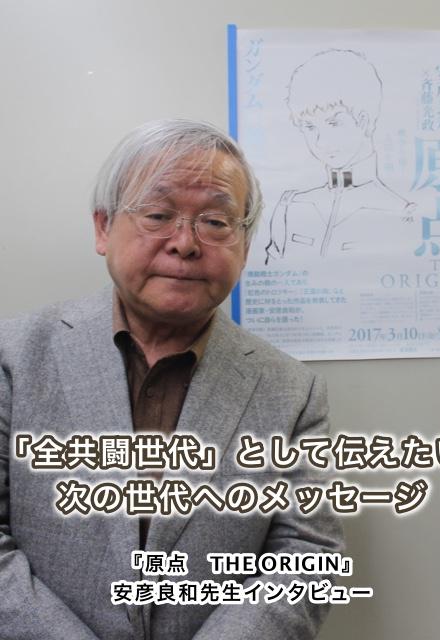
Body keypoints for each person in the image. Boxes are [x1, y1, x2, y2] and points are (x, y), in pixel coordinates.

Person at [0, 120, 343, 640]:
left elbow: (307, 556)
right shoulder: (14, 357)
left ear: (245, 244)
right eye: (158, 215)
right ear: (103, 228)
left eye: (216, 221)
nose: (185, 243)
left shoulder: (292, 391)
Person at [265, 49, 415, 263]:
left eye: (334, 123)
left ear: (364, 121)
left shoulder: (399, 212)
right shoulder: (290, 205)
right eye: (309, 127)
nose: (320, 141)